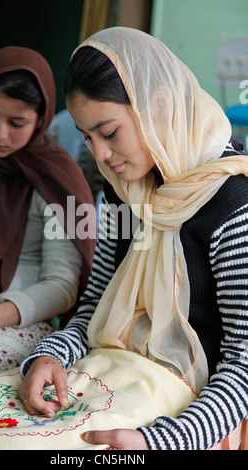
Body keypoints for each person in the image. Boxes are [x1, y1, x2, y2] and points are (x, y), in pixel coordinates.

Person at [18, 27, 248, 450]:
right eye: (88, 137)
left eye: (109, 132)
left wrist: (159, 442)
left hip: (202, 412)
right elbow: (93, 309)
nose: (100, 155)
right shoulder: (121, 192)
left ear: (157, 105)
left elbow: (244, 362)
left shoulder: (232, 201)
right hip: (119, 379)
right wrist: (48, 356)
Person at [0, 46, 95, 396]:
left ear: (41, 119)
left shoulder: (58, 177)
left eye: (17, 123)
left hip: (15, 320)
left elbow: (63, 287)